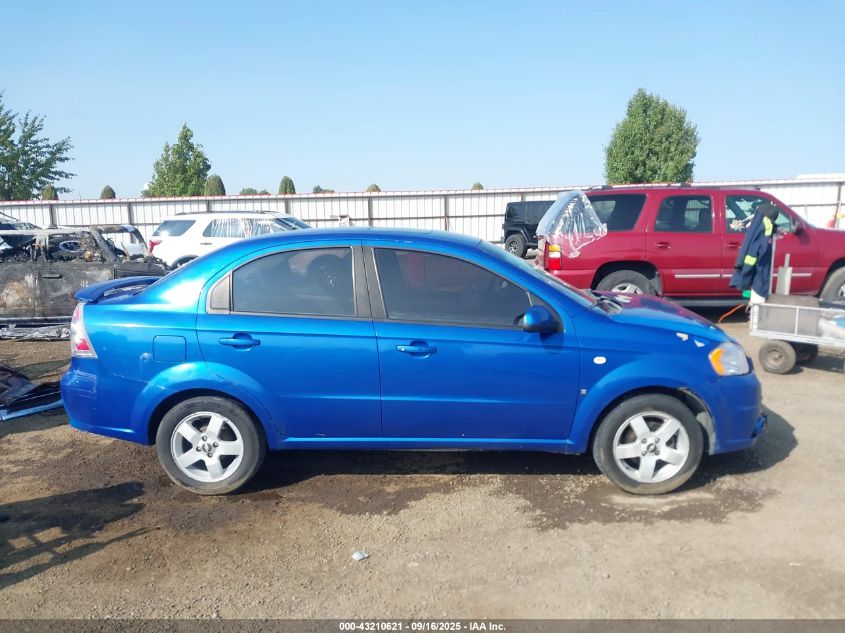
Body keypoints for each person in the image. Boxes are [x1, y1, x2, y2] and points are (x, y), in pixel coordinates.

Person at [729, 201, 779, 304]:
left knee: (757, 305)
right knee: (757, 303)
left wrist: (745, 277)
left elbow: (752, 254)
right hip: (759, 280)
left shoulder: (760, 232)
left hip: (758, 280)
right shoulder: (765, 232)